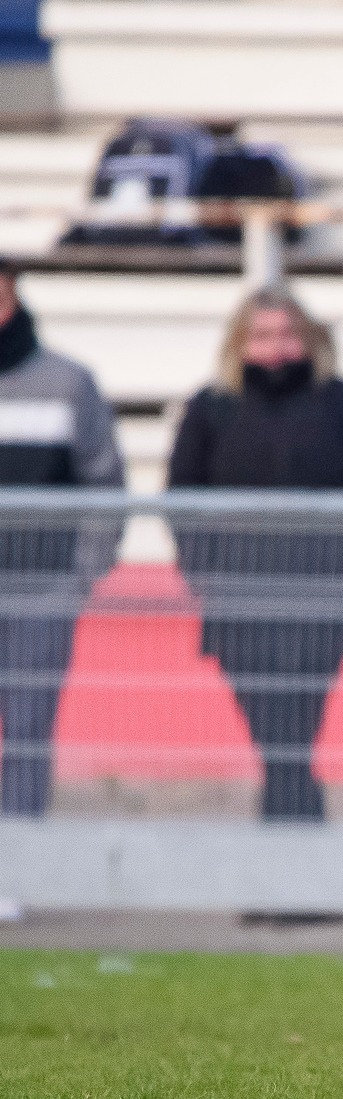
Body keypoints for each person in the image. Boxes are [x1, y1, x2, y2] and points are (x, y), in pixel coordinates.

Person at [167, 288, 343, 822]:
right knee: (277, 740)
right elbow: (182, 496)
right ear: (240, 344)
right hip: (238, 602)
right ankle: (296, 872)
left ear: (310, 339)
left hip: (322, 600)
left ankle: (287, 874)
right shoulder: (210, 406)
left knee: (292, 739)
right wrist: (202, 572)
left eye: (288, 334)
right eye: (263, 335)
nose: (277, 347)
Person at [0, 258, 124, 820]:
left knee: (28, 728)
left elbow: (103, 480)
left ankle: (18, 863)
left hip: (40, 587)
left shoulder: (68, 382)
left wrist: (81, 574)